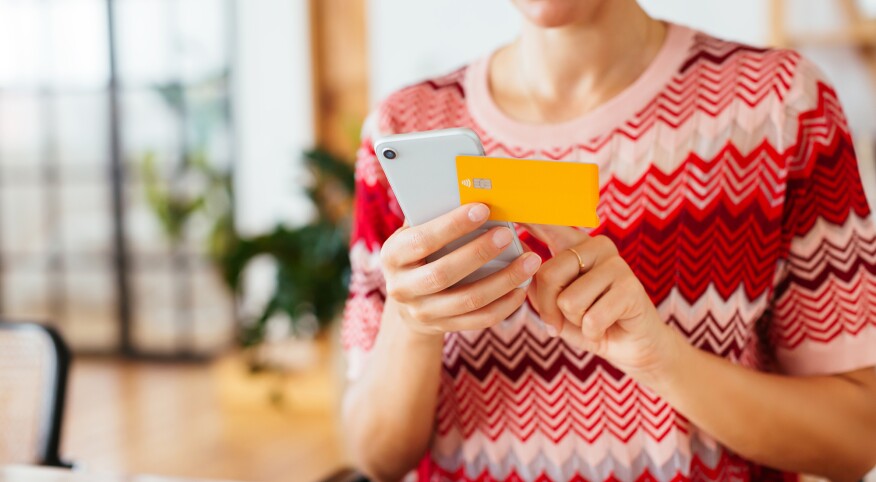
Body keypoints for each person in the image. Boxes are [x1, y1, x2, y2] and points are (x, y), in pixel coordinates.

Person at [340, 1, 876, 480]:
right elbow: (375, 456)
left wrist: (662, 360)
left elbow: (856, 440)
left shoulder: (780, 105)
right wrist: (412, 323)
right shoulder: (404, 131)